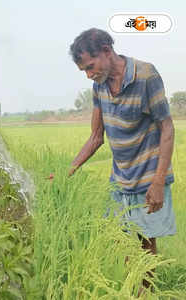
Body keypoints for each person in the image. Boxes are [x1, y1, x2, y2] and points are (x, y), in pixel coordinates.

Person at [68, 28, 176, 293]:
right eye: (84, 70)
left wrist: (158, 182)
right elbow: (96, 136)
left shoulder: (146, 75)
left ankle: (145, 294)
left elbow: (167, 128)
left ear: (106, 50)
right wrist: (68, 170)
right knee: (123, 240)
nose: (89, 75)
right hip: (121, 178)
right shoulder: (99, 85)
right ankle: (132, 290)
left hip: (148, 174)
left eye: (90, 67)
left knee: (145, 242)